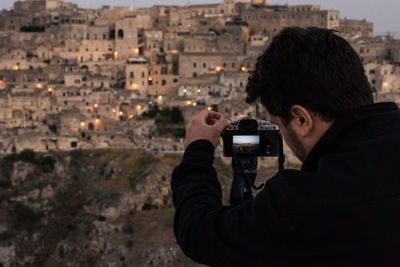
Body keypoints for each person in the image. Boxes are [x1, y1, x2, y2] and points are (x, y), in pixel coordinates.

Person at [171, 27, 400, 266]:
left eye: (277, 125)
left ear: (301, 120)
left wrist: (197, 150)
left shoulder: (306, 203)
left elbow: (199, 232)